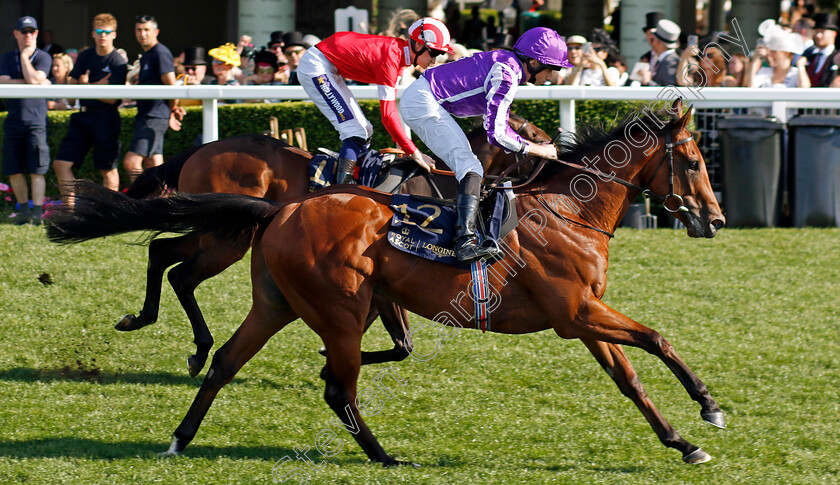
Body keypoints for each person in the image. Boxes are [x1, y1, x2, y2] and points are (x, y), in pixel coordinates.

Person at [399, 27, 568, 264]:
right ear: (533, 62)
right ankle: (464, 243)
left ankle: (469, 231)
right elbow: (497, 134)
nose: (552, 76)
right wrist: (539, 149)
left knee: (471, 166)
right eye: (552, 68)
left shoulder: (508, 65)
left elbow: (498, 126)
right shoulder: (507, 74)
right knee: (471, 167)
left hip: (424, 98)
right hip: (422, 102)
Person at [297, 17, 450, 185]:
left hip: (328, 63)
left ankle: (352, 173)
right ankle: (341, 190)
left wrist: (406, 147)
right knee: (355, 131)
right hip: (316, 65)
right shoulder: (391, 59)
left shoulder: (398, 56)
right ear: (419, 45)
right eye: (434, 53)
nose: (434, 60)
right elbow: (388, 116)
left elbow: (390, 115)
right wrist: (414, 152)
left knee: (365, 129)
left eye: (440, 54)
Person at [53, 13, 128, 206]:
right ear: (93, 34)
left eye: (106, 32)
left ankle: (109, 216)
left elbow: (112, 99)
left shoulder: (118, 61)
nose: (102, 35)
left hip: (106, 117)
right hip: (83, 116)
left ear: (114, 34)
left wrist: (87, 86)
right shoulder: (85, 56)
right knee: (61, 164)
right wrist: (98, 85)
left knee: (108, 169)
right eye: (98, 31)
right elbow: (72, 89)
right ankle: (70, 214)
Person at [0, 16, 52, 225]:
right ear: (16, 34)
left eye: (32, 31)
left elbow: (34, 80)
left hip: (36, 122)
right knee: (14, 170)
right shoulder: (5, 57)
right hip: (13, 121)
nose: (28, 35)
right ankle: (23, 212)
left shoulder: (43, 57)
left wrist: (24, 57)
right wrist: (36, 82)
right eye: (24, 31)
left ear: (37, 34)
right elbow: (3, 82)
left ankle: (37, 214)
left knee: (37, 170)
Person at [122, 15, 184, 182]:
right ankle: (164, 204)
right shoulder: (148, 54)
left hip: (154, 116)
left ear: (155, 32)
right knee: (154, 166)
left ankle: (145, 203)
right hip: (149, 115)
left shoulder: (160, 52)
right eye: (139, 30)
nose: (142, 34)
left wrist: (172, 109)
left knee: (131, 163)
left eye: (146, 30)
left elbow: (172, 86)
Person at [744, 29, 809, 88]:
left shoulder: (796, 73)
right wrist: (754, 61)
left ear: (786, 54)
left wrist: (801, 66)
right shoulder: (765, 71)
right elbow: (751, 87)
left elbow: (804, 87)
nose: (769, 55)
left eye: (773, 52)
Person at [640, 18, 681, 86]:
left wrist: (648, 81)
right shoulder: (666, 59)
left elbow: (669, 90)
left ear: (658, 42)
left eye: (653, 39)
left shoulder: (670, 61)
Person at [802, 13, 838, 87]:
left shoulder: (837, 57)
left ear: (834, 34)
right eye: (817, 31)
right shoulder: (809, 55)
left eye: (822, 32)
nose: (818, 35)